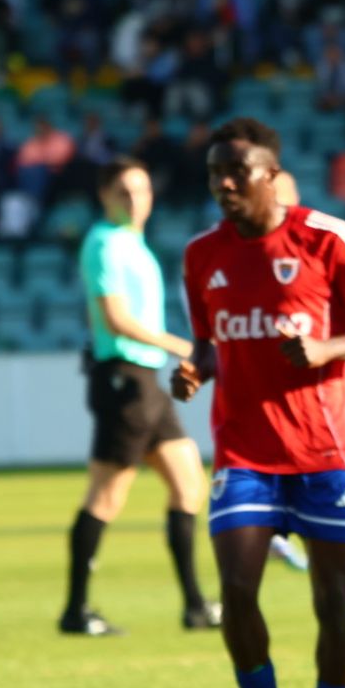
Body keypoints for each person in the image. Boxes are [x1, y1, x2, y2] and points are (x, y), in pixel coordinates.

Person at [171, 118, 345, 688]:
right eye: (214, 172)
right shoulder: (200, 255)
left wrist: (329, 350)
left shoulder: (328, 238)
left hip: (323, 449)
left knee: (332, 600)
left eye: (237, 172)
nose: (222, 184)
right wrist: (196, 370)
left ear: (271, 175)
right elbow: (211, 341)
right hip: (243, 448)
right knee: (238, 593)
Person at [61, 155, 221, 637]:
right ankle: (75, 610)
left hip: (145, 382)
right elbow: (118, 320)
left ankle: (195, 605)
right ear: (104, 196)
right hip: (124, 379)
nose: (136, 201)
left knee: (188, 481)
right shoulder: (104, 243)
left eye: (143, 191)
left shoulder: (134, 243)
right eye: (125, 192)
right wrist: (184, 346)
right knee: (107, 495)